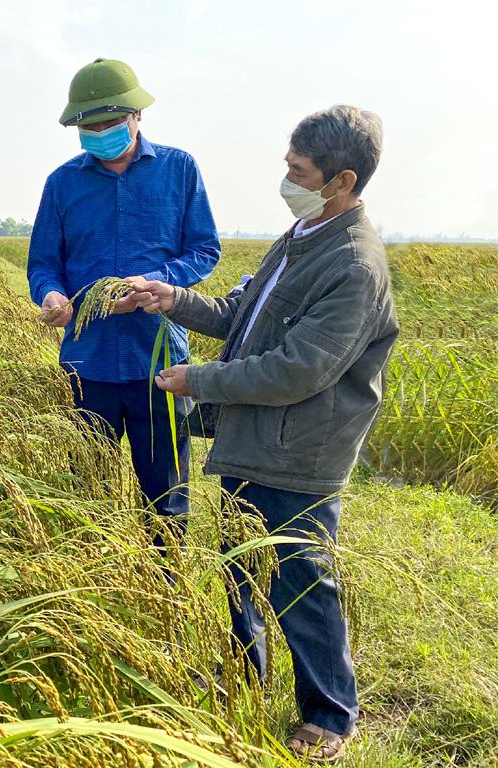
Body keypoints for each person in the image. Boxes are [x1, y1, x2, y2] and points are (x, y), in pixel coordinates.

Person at [131, 105, 398, 761]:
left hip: (300, 451)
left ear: (341, 179)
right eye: (287, 165)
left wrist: (202, 381)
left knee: (301, 583)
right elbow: (243, 315)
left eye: (298, 171)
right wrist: (176, 300)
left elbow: (299, 370)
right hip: (256, 439)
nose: (286, 178)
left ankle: (332, 715)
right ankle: (243, 680)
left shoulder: (353, 267)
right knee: (242, 573)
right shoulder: (302, 233)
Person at [26, 57, 220, 546]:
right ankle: (97, 590)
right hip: (86, 365)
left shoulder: (179, 171)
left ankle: (167, 594)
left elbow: (204, 249)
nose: (100, 133)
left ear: (137, 116)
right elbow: (43, 263)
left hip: (158, 362)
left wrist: (155, 283)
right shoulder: (62, 183)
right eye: (88, 127)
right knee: (86, 494)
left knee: (167, 500)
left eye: (110, 123)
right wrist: (50, 293)